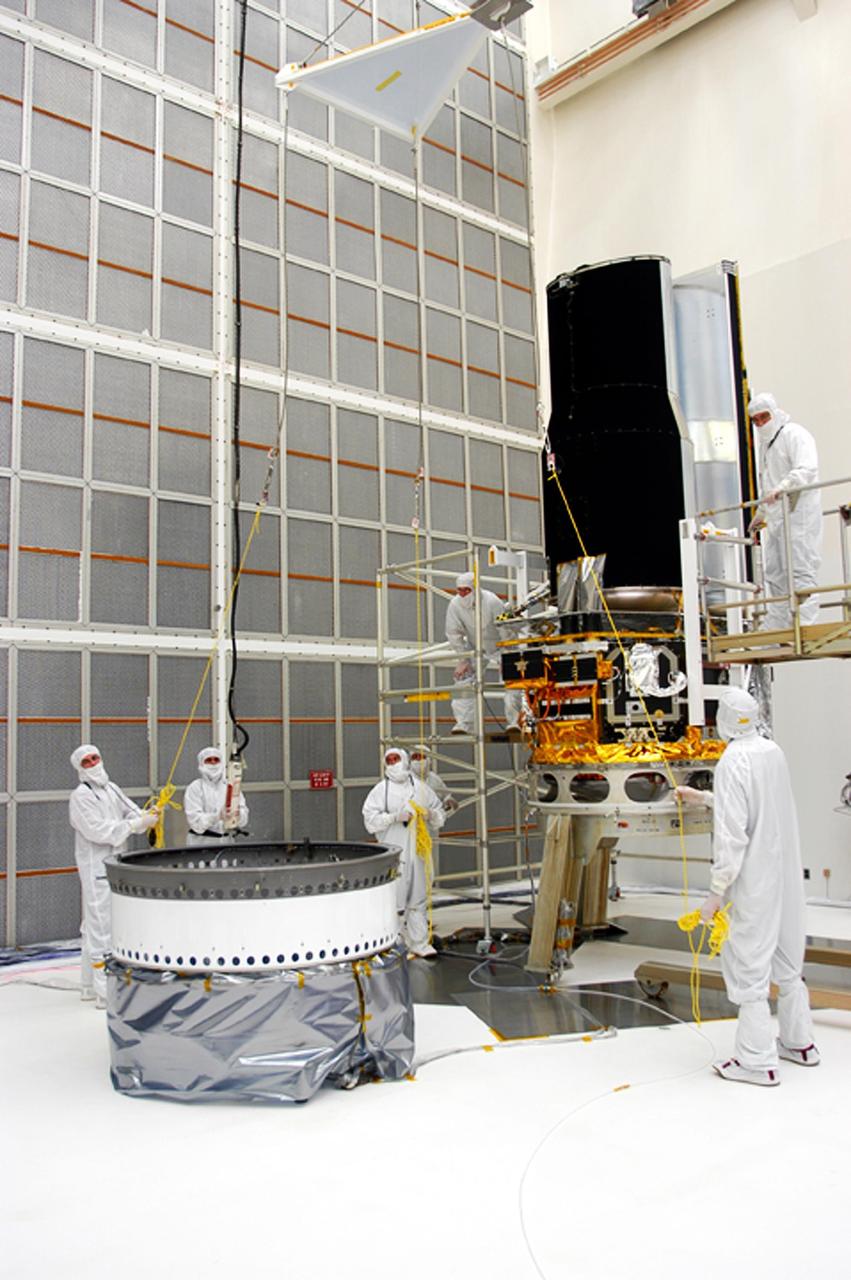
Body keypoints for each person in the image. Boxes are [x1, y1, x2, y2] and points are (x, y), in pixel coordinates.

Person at [677, 687, 819, 1085]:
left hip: (753, 879)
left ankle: (756, 1062)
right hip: (785, 874)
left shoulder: (731, 761)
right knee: (789, 961)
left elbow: (733, 835)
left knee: (749, 967)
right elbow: (758, 804)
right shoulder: (772, 751)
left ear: (722, 718)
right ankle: (799, 1042)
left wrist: (716, 892)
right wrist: (704, 798)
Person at [69, 744, 159, 1007]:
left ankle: (88, 985)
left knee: (94, 926)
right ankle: (104, 991)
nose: (93, 763)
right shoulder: (80, 796)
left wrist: (145, 816)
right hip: (96, 867)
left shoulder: (111, 789)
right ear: (79, 767)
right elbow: (98, 831)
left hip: (114, 864)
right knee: (101, 928)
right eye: (86, 761)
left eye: (95, 757)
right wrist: (134, 825)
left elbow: (130, 810)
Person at [747, 391, 821, 630]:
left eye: (764, 418)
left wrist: (783, 487)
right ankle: (778, 624)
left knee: (800, 566)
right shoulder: (766, 446)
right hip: (778, 516)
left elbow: (807, 469)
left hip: (799, 513)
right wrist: (761, 514)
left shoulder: (794, 434)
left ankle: (804, 622)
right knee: (775, 570)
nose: (760, 424)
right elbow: (768, 484)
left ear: (775, 413)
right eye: (755, 421)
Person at [362, 746, 446, 958]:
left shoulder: (421, 788)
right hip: (394, 851)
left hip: (418, 851)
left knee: (418, 897)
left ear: (405, 760)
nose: (393, 764)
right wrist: (393, 818)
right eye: (389, 761)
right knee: (394, 898)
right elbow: (370, 820)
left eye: (396, 759)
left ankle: (419, 942)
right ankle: (393, 942)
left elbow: (439, 813)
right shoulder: (381, 790)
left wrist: (429, 814)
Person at [445, 571, 523, 735]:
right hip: (476, 648)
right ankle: (464, 724)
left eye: (466, 590)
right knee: (462, 679)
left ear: (475, 588)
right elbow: (453, 633)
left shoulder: (492, 601)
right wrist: (463, 659)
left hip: (502, 646)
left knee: (513, 679)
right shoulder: (455, 605)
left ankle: (515, 721)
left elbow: (505, 628)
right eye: (459, 590)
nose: (462, 594)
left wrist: (507, 657)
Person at [184, 747, 249, 846]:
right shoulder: (195, 788)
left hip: (227, 844)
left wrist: (237, 814)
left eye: (216, 760)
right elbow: (196, 824)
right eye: (209, 760)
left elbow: (244, 819)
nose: (213, 763)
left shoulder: (230, 786)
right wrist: (217, 816)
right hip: (201, 845)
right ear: (201, 763)